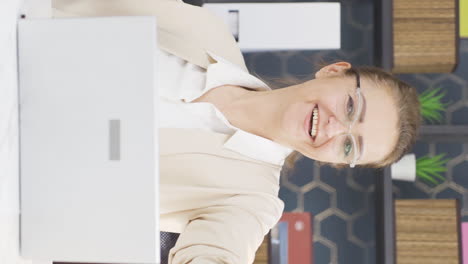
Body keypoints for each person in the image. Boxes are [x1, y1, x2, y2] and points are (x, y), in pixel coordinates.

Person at [52, 0, 421, 263]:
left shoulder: (252, 202)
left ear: (336, 163)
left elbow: (216, 254)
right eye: (351, 107)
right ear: (334, 71)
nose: (335, 128)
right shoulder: (206, 31)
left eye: (348, 147)